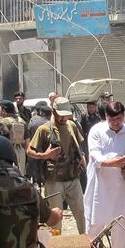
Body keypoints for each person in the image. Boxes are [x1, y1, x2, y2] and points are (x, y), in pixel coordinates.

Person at [84, 101, 125, 248]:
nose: (116, 123)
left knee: (121, 224)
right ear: (106, 117)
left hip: (121, 185)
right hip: (100, 185)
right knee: (95, 223)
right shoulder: (96, 131)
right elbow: (97, 159)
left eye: (119, 119)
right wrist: (117, 161)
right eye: (112, 119)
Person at [28, 98, 87, 235]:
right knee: (56, 218)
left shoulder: (71, 126)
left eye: (65, 115)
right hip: (54, 180)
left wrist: (82, 157)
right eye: (60, 114)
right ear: (53, 111)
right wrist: (45, 155)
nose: (63, 118)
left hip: (73, 177)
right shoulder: (44, 129)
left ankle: (85, 242)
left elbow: (80, 146)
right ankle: (56, 247)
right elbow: (30, 151)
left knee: (81, 213)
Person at [25, 102, 52, 186]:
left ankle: (37, 184)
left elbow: (28, 134)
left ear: (41, 112)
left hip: (35, 150)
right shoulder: (52, 123)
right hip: (49, 151)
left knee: (36, 170)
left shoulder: (33, 121)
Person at [0, 100, 28, 173]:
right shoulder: (22, 121)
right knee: (20, 174)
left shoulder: (3, 122)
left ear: (3, 110)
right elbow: (27, 141)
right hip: (21, 151)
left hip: (8, 151)